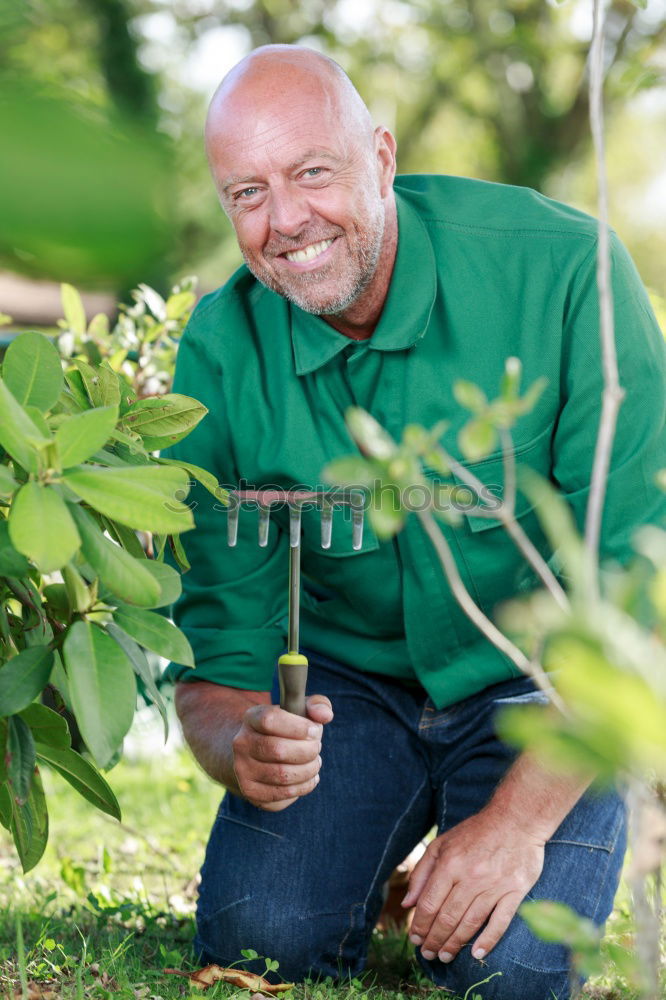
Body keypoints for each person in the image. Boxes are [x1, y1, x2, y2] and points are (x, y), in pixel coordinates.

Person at [164, 44, 666, 1000]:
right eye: (247, 193)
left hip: (544, 683)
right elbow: (218, 664)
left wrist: (515, 827)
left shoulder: (569, 274)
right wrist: (245, 746)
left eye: (313, 172)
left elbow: (641, 593)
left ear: (383, 159)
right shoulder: (222, 351)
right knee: (258, 939)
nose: (286, 222)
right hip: (352, 693)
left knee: (507, 973)